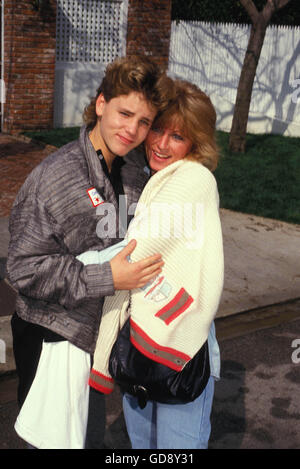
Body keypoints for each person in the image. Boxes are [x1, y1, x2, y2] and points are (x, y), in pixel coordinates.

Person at [6, 55, 171, 449]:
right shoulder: (54, 177)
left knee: (88, 435)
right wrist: (107, 277)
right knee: (50, 441)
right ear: (101, 104)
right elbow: (22, 269)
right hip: (51, 334)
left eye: (144, 121)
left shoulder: (133, 171)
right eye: (124, 113)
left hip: (97, 335)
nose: (132, 129)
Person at [88, 79, 224, 449]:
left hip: (178, 347)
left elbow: (132, 256)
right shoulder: (158, 178)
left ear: (195, 143)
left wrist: (80, 268)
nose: (161, 144)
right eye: (157, 130)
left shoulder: (192, 180)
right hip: (143, 345)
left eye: (177, 137)